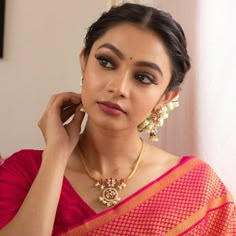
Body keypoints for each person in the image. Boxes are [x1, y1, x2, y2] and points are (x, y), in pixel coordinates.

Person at [0, 3, 235, 235]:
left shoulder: (197, 188)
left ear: (166, 96)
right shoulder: (25, 172)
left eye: (143, 77)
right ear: (84, 61)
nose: (118, 87)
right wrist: (55, 157)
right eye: (106, 62)